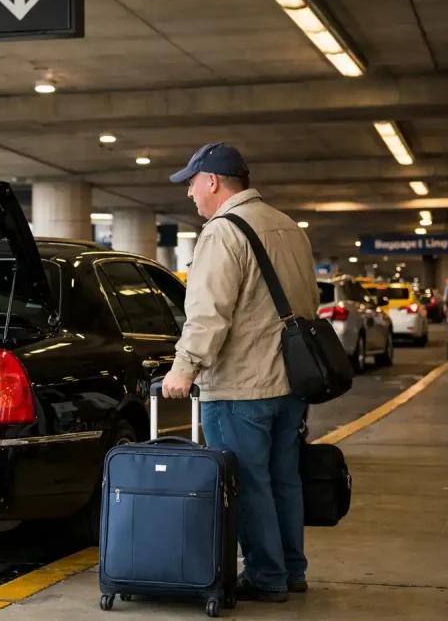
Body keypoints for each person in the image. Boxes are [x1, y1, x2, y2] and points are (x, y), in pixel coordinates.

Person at [160, 143, 320, 603]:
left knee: (246, 482)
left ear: (211, 181)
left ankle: (267, 577)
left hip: (240, 385)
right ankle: (291, 570)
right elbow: (307, 303)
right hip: (290, 382)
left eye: (191, 183)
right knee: (283, 479)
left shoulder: (222, 231)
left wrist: (183, 368)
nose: (190, 194)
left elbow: (209, 312)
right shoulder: (288, 226)